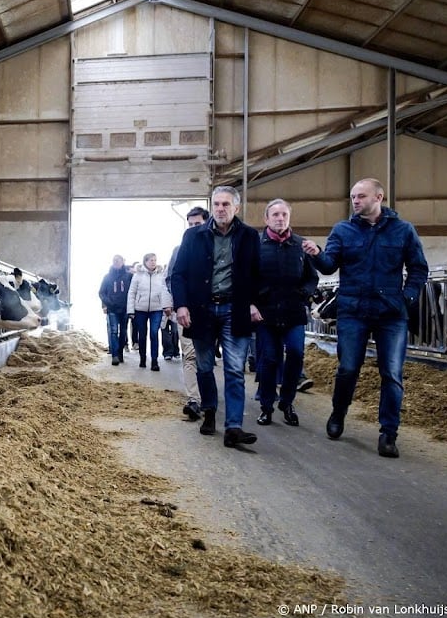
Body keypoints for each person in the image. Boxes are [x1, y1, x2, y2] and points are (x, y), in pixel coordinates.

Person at [302, 178, 428, 458]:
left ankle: (388, 434)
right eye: (353, 197)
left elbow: (419, 268)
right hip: (353, 311)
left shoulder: (403, 230)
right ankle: (338, 413)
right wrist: (316, 254)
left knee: (392, 373)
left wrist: (406, 297)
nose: (355, 201)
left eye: (360, 196)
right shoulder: (343, 230)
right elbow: (329, 265)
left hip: (391, 313)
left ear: (378, 197)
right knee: (348, 368)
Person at [171, 186, 261, 448]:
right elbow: (179, 274)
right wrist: (181, 306)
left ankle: (233, 427)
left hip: (236, 309)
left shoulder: (249, 237)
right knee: (204, 366)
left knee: (234, 369)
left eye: (226, 204)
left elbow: (257, 273)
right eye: (217, 204)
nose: (220, 209)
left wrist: (254, 302)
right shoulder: (193, 236)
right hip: (202, 310)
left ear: (236, 208)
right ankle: (209, 411)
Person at [254, 199, 318, 427]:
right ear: (266, 219)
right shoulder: (256, 245)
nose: (280, 218)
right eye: (275, 215)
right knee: (269, 358)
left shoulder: (301, 245)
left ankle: (287, 401)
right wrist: (251, 304)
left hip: (293, 312)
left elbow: (312, 277)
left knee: (296, 353)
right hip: (265, 314)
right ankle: (266, 406)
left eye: (284, 215)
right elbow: (247, 279)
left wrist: (305, 294)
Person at [167, 206, 209, 420]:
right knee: (190, 354)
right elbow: (171, 277)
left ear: (206, 223)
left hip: (213, 312)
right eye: (190, 224)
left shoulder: (216, 246)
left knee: (206, 357)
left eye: (198, 224)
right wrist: (179, 302)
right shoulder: (180, 249)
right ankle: (194, 399)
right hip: (187, 312)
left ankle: (209, 399)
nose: (193, 228)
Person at [127, 253, 173, 371]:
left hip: (156, 309)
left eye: (155, 260)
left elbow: (164, 290)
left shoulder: (160, 275)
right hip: (140, 309)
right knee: (142, 335)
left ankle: (154, 361)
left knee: (154, 333)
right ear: (145, 262)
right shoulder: (138, 275)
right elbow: (132, 293)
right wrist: (131, 310)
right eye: (151, 260)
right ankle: (143, 358)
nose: (153, 262)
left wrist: (166, 306)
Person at [98, 254, 133, 366]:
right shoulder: (107, 277)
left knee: (123, 331)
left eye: (119, 260)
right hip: (112, 308)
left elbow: (133, 291)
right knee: (113, 331)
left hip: (125, 308)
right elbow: (101, 292)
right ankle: (115, 355)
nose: (117, 262)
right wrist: (107, 303)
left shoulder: (128, 276)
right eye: (115, 260)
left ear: (123, 262)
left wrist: (131, 306)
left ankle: (120, 352)